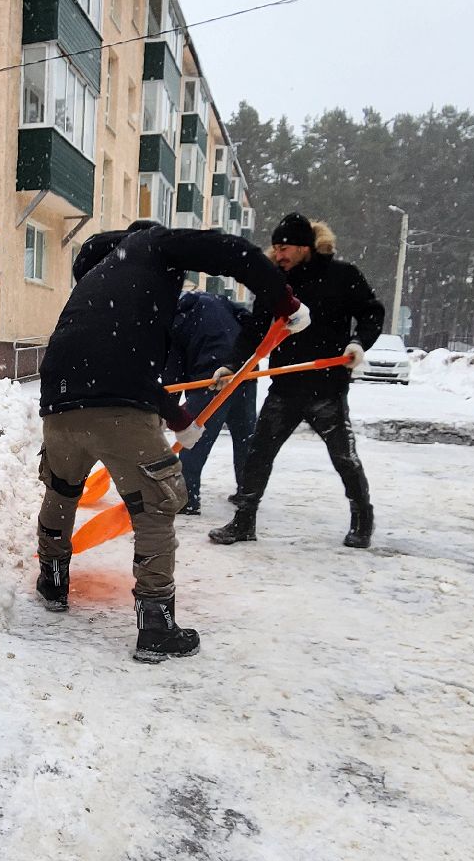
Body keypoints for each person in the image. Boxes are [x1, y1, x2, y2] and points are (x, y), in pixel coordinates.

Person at [36, 220, 306, 663]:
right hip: (118, 407)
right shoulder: (154, 245)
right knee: (156, 505)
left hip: (59, 398)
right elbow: (229, 250)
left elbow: (121, 359)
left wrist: (179, 419)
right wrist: (284, 299)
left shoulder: (102, 277)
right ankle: (156, 624)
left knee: (62, 489)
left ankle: (51, 579)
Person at [209, 212, 385, 549]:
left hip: (327, 386)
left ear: (305, 247)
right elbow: (255, 329)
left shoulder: (343, 276)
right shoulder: (277, 284)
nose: (278, 254)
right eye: (275, 247)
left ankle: (363, 518)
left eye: (285, 247)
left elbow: (371, 312)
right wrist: (233, 364)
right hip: (285, 387)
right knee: (258, 453)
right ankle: (244, 522)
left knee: (343, 457)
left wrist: (358, 343)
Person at [163, 291, 253, 514]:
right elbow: (250, 320)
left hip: (210, 378)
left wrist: (169, 410)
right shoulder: (220, 300)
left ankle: (187, 499)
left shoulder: (176, 320)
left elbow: (173, 371)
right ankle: (248, 492)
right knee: (245, 437)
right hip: (243, 373)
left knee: (193, 438)